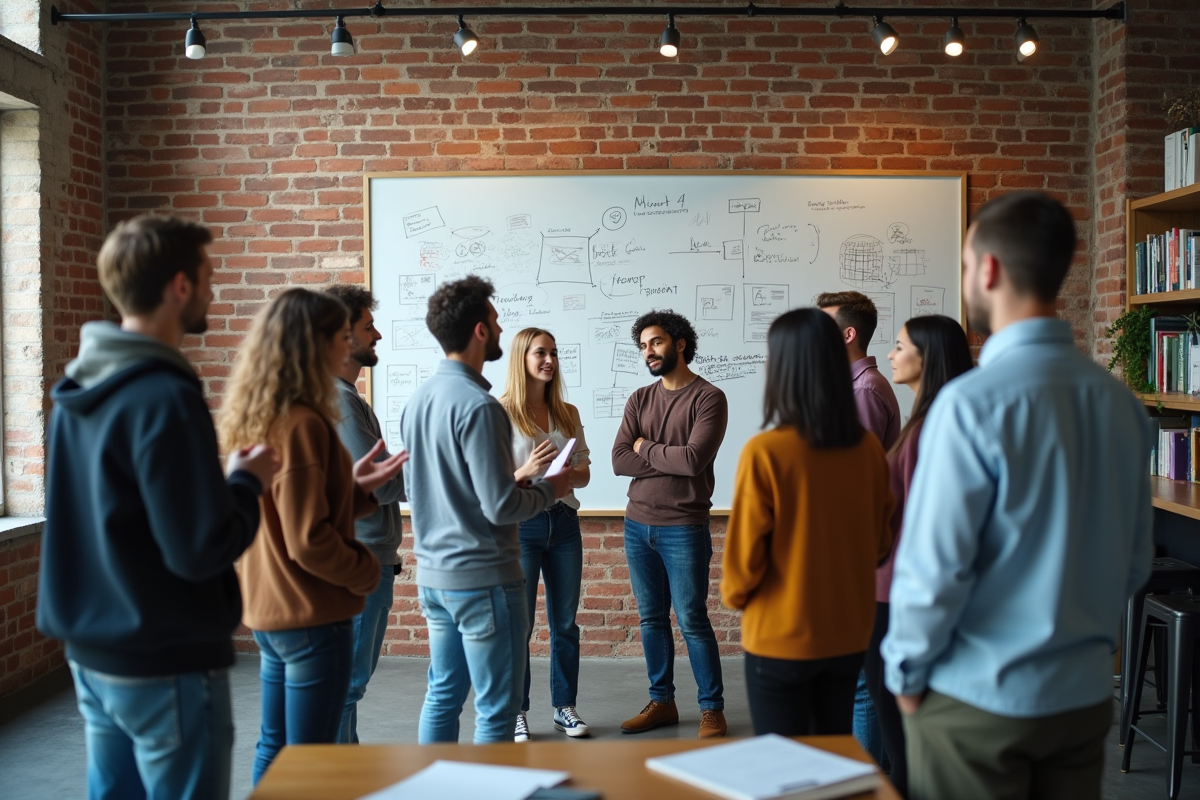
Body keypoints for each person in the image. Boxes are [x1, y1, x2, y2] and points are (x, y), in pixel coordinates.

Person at [882, 191, 1154, 800]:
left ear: (989, 269)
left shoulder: (969, 404)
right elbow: (1135, 563)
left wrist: (903, 673)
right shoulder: (1120, 403)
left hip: (975, 702)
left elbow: (934, 571)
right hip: (1082, 702)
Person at [37, 215, 279, 800]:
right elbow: (199, 549)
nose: (213, 290)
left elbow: (118, 511)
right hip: (164, 656)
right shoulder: (166, 396)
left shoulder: (78, 388)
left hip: (92, 655)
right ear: (179, 287)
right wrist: (246, 484)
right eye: (208, 277)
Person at [219, 288, 407, 784]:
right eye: (340, 335)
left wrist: (354, 491)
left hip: (272, 610)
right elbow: (307, 539)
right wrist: (367, 570)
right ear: (315, 342)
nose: (346, 343)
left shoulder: (263, 412)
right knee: (313, 764)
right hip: (310, 612)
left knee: (277, 748)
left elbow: (293, 511)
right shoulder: (306, 421)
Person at [401, 277, 573, 744]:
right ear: (480, 331)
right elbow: (501, 507)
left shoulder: (418, 401)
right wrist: (552, 488)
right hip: (483, 580)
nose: (500, 329)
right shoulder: (481, 407)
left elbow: (418, 489)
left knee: (442, 696)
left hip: (434, 579)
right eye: (496, 321)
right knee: (496, 712)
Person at [720, 307, 893, 737]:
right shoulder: (868, 450)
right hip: (849, 635)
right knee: (832, 759)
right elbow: (880, 547)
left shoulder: (765, 452)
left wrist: (739, 597)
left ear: (784, 367)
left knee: (783, 769)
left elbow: (741, 572)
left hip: (781, 635)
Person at [863, 315, 973, 799]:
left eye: (900, 345)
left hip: (897, 594)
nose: (890, 354)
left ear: (926, 356)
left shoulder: (932, 429)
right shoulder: (925, 420)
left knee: (903, 739)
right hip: (891, 587)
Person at [612, 309, 730, 739]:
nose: (649, 352)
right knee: (651, 620)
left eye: (656, 342)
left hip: (684, 526)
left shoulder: (708, 398)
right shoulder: (639, 399)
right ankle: (662, 701)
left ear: (680, 343)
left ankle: (712, 709)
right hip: (636, 524)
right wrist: (664, 456)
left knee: (692, 618)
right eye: (643, 345)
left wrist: (645, 445)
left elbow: (694, 459)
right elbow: (618, 460)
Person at [816, 289, 902, 766]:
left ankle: (866, 783)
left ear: (847, 334)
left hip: (857, 555)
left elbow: (856, 484)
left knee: (863, 685)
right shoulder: (849, 386)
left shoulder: (864, 391)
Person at [323, 284, 408, 745]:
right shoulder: (339, 402)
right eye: (368, 327)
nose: (377, 335)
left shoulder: (345, 397)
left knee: (345, 686)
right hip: (360, 563)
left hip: (366, 558)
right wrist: (447, 471)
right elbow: (375, 483)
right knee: (346, 686)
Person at [499, 328, 594, 741]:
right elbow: (493, 482)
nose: (549, 360)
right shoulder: (500, 412)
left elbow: (586, 475)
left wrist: (566, 473)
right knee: (519, 625)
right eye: (541, 353)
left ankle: (564, 708)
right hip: (522, 525)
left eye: (554, 352)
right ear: (522, 358)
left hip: (564, 524)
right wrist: (528, 471)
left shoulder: (568, 413)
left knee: (565, 623)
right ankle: (516, 711)